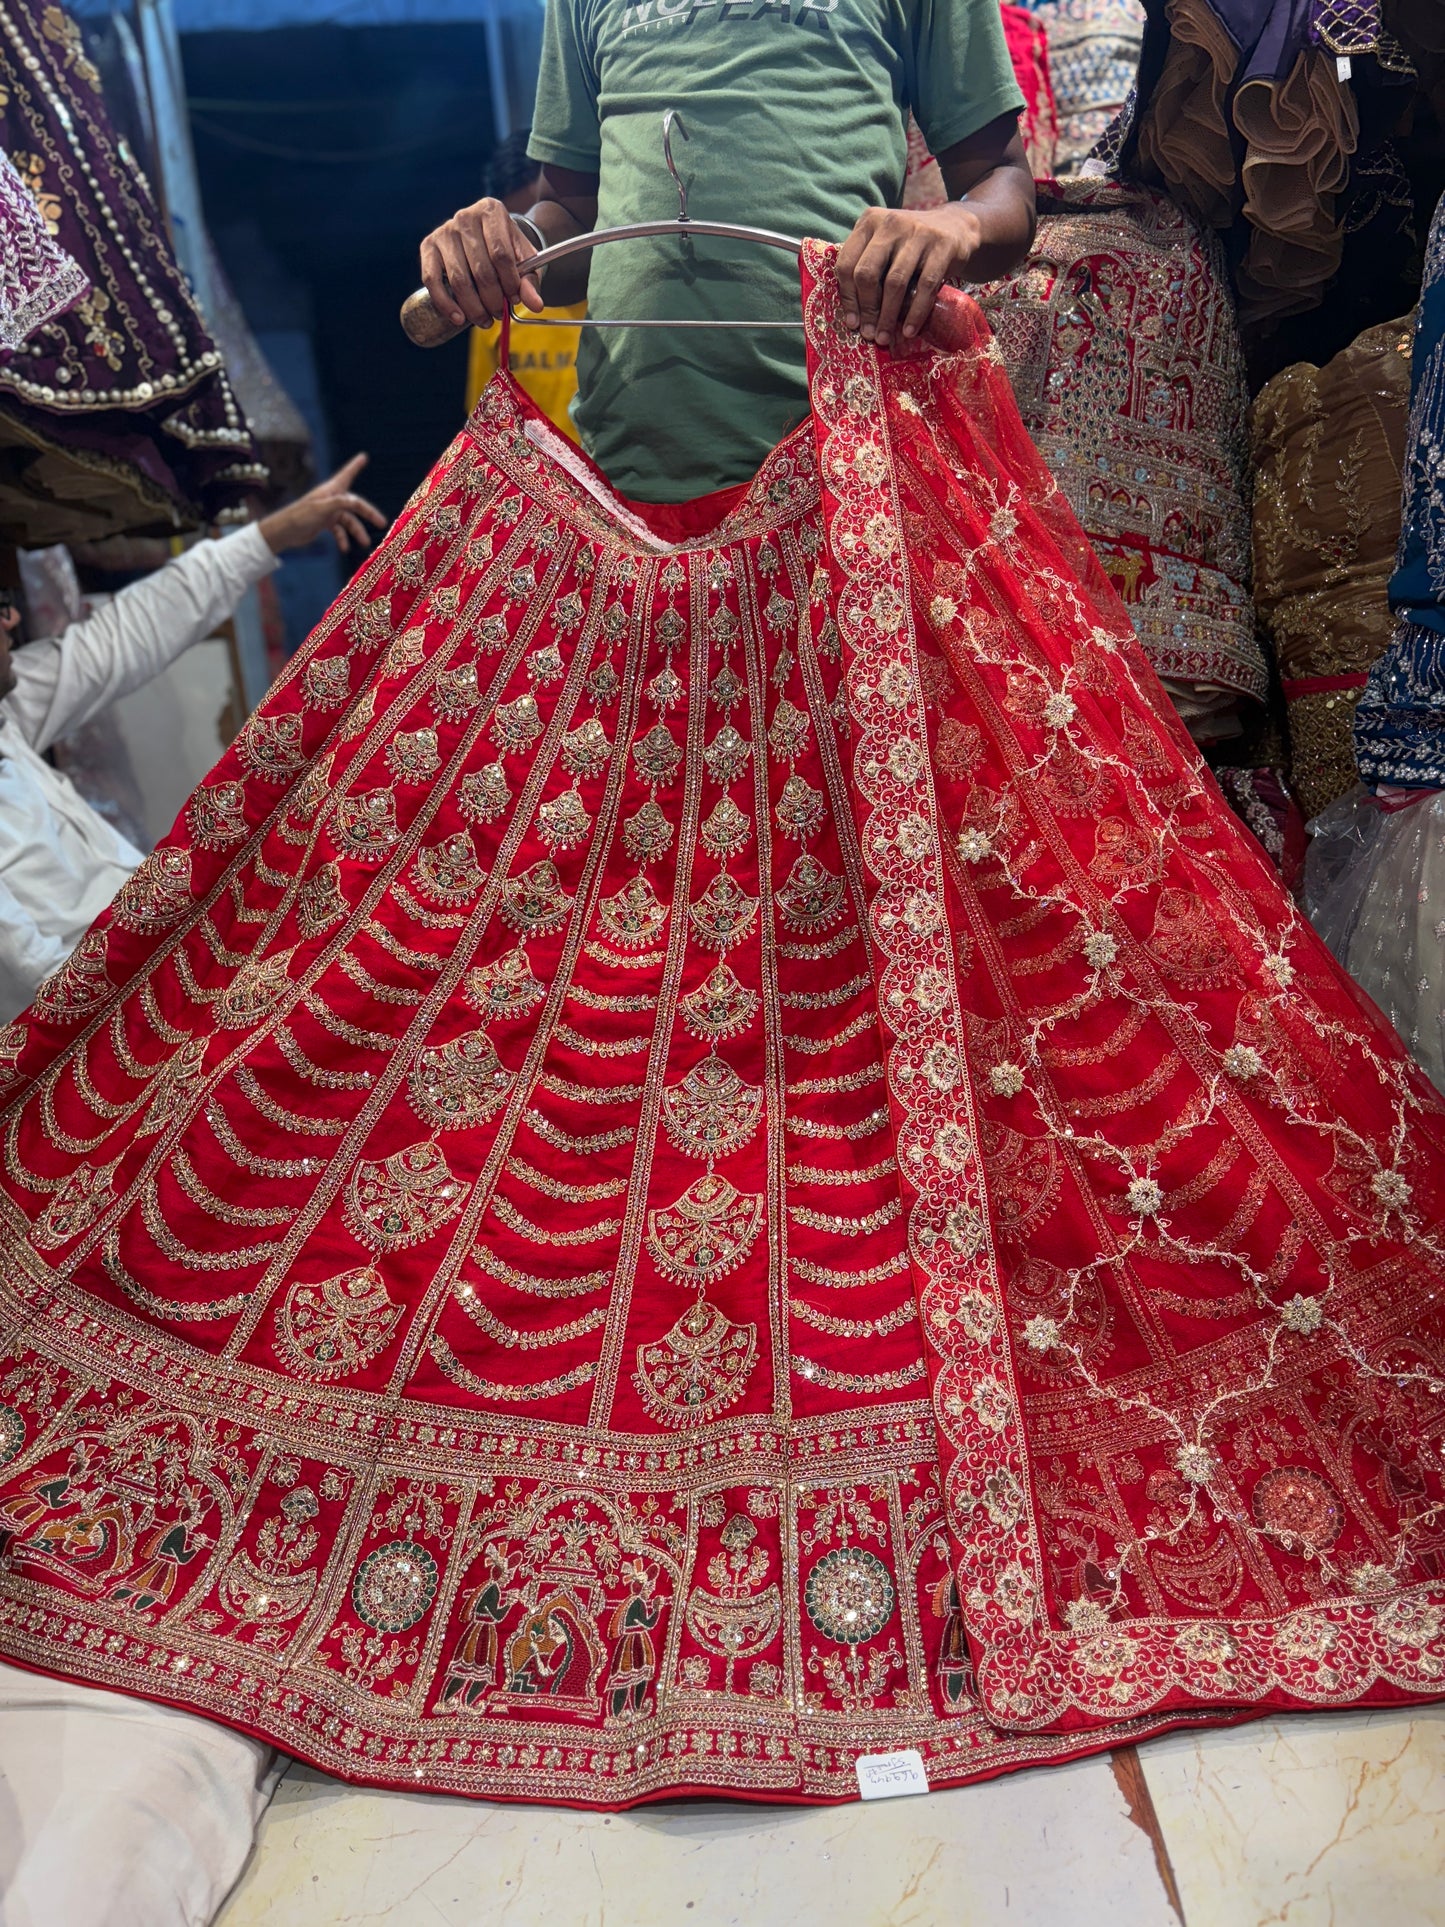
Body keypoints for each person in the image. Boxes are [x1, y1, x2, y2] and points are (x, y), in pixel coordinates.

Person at [422, 0, 1035, 500]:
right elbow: (573, 216)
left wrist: (958, 223)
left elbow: (1006, 186)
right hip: (625, 481)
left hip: (843, 468)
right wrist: (511, 242)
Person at [0, 456, 387, 1024]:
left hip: (162, 979)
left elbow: (125, 636)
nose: (12, 621)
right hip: (112, 1033)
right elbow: (33, 971)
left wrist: (274, 533)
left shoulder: (11, 710)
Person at [463, 126, 588, 439]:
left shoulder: (621, 297)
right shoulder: (497, 307)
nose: (529, 246)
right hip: (543, 485)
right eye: (519, 226)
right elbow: (486, 426)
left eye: (545, 219)